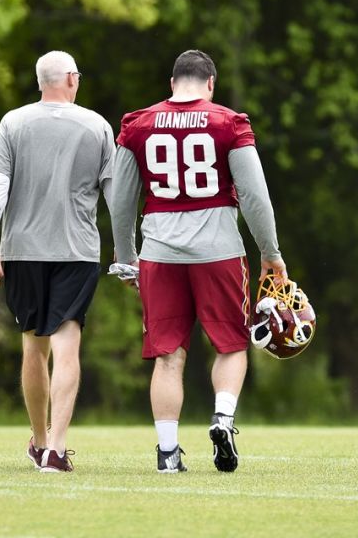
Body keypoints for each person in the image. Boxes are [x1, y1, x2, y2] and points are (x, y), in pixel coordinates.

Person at [109, 49, 285, 473]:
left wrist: (126, 257)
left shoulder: (138, 124)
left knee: (168, 354)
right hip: (218, 251)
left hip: (159, 253)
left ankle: (168, 454)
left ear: (172, 84)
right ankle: (222, 419)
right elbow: (256, 197)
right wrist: (271, 253)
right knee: (231, 344)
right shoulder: (228, 122)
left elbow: (119, 200)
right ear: (211, 84)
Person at [0, 50, 114, 474]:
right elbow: (115, 193)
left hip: (22, 249)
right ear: (72, 79)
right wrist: (127, 250)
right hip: (76, 251)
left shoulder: (12, 123)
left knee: (33, 346)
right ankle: (56, 448)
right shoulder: (97, 126)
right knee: (67, 344)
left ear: (41, 81)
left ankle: (39, 442)